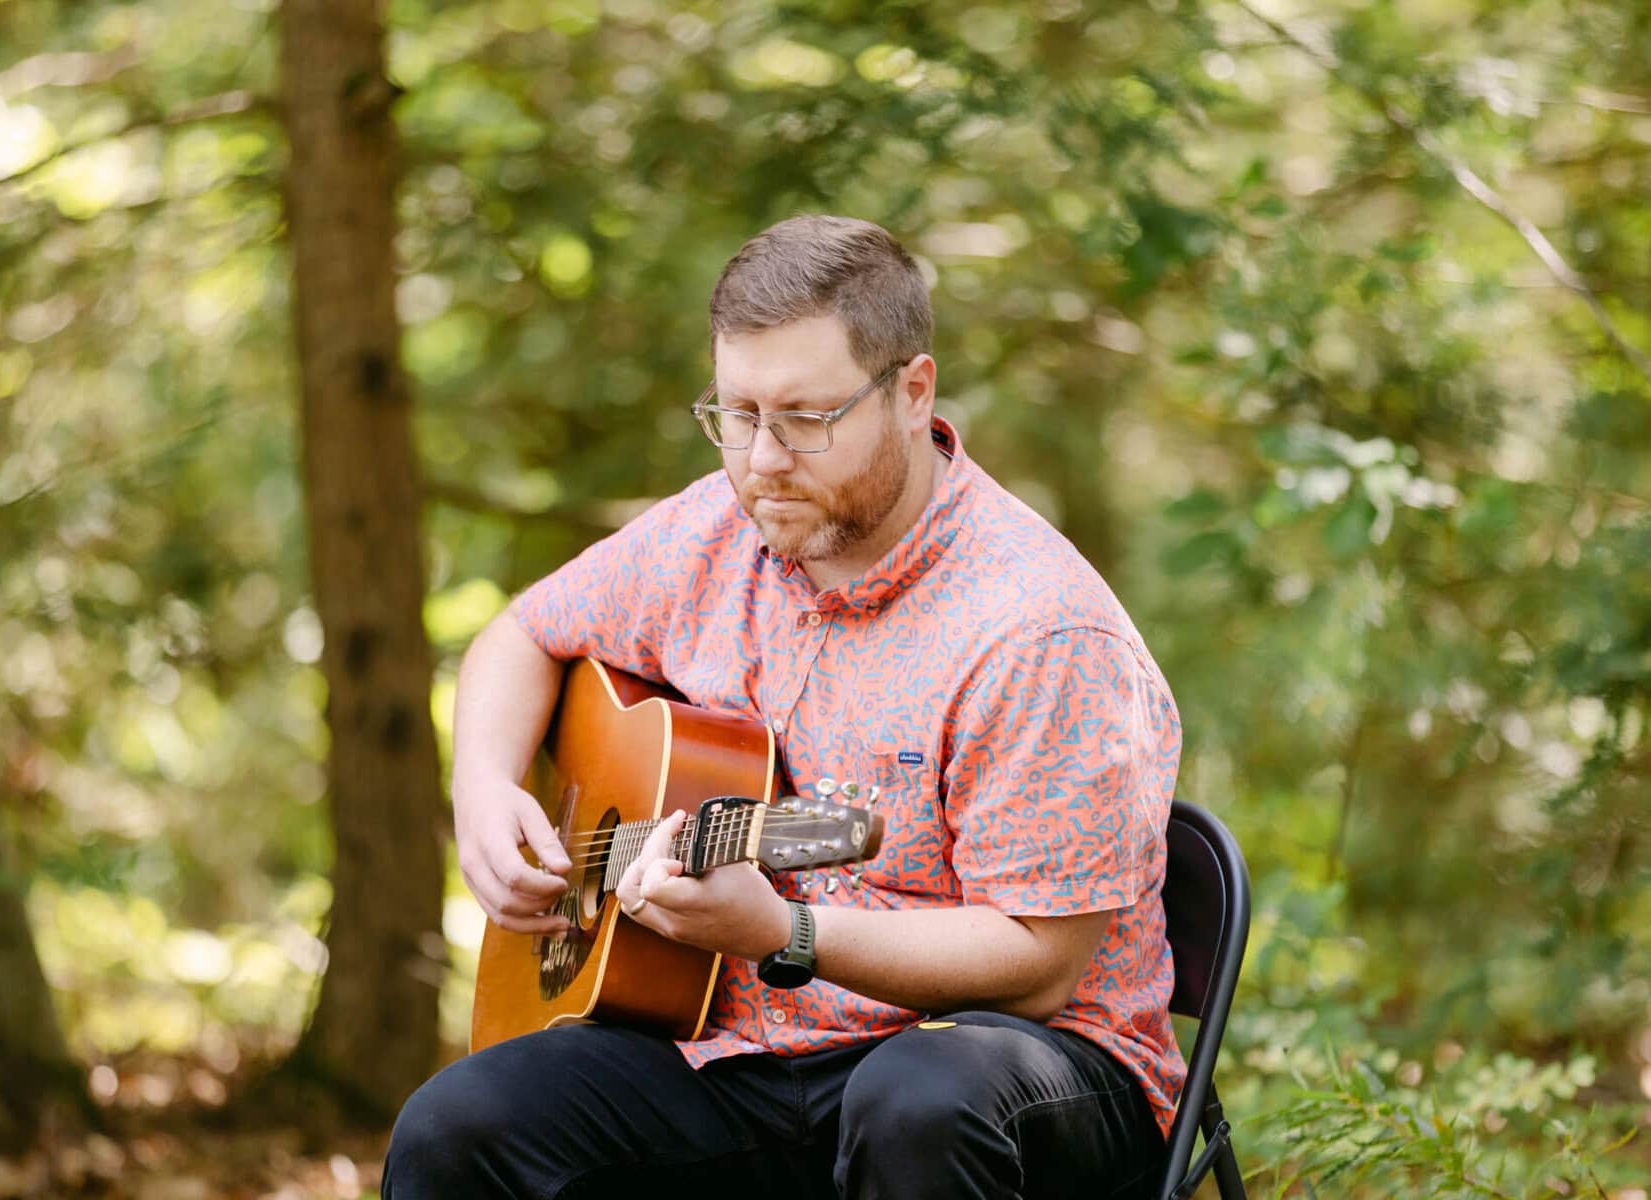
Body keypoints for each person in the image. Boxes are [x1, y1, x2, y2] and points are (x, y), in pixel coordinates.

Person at [383, 215, 1185, 1200]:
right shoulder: (712, 535)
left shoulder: (1039, 631)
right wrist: (483, 787)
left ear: (910, 392)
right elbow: (524, 633)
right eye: (737, 413)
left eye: (804, 418)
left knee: (918, 1102)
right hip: (741, 1053)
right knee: (455, 1130)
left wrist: (786, 934)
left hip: (1015, 1071)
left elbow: (1038, 962)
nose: (763, 459)